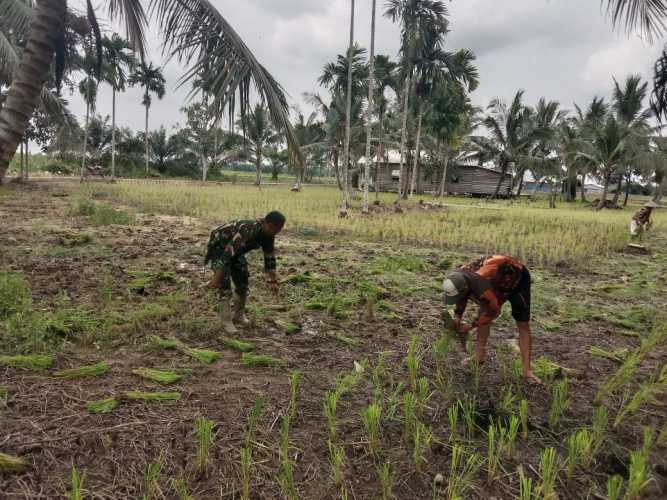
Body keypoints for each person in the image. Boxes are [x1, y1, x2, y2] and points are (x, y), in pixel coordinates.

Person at [442, 255, 542, 385]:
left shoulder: (483, 289)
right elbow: (460, 297)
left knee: (521, 323)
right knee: (483, 310)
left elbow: (494, 312)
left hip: (517, 279)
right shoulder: (457, 277)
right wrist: (457, 316)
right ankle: (479, 357)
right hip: (495, 277)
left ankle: (527, 371)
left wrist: (471, 326)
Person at [205, 211, 285, 334]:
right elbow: (227, 254)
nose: (276, 232)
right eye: (274, 229)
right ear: (267, 224)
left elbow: (269, 257)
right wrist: (217, 277)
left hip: (237, 252)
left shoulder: (269, 234)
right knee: (224, 286)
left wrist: (273, 280)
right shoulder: (247, 229)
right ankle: (225, 320)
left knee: (243, 282)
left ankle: (239, 315)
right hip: (219, 249)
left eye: (279, 230)